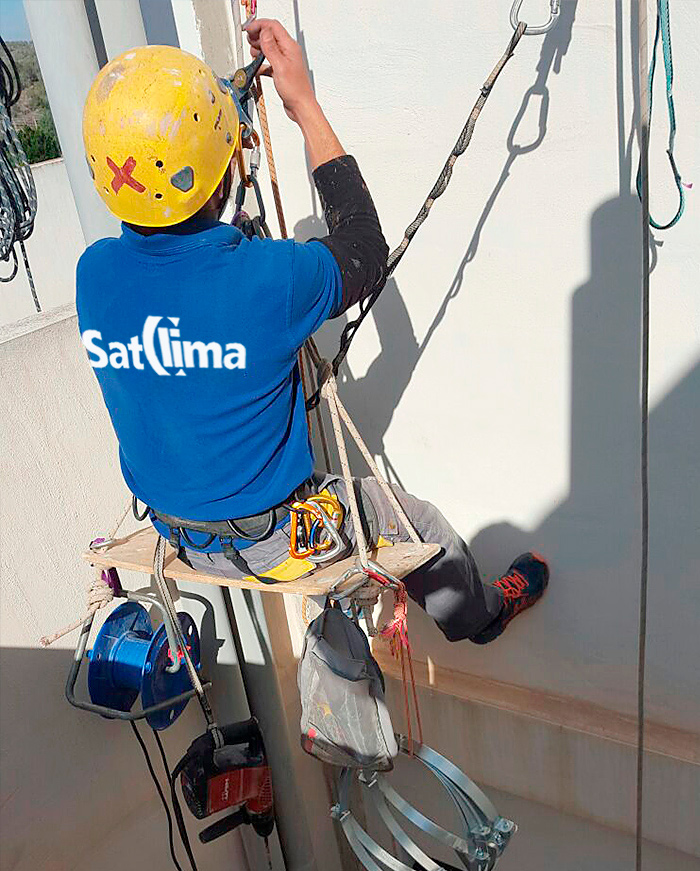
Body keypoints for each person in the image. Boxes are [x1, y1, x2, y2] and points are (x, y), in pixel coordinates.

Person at [77, 19, 548, 644]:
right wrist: (302, 104)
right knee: (421, 528)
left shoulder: (94, 276)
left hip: (177, 528)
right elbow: (362, 249)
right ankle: (482, 616)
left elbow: (187, 283)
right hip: (270, 539)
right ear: (223, 174)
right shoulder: (268, 281)